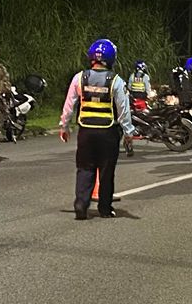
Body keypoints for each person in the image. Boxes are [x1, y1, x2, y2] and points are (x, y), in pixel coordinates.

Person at [57, 38, 136, 220]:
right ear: (111, 58)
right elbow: (124, 110)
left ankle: (81, 205)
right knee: (106, 171)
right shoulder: (116, 81)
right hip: (108, 132)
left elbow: (69, 105)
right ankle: (105, 209)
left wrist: (64, 126)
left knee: (84, 168)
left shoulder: (79, 78)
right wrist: (128, 133)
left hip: (85, 131)